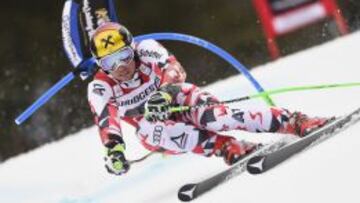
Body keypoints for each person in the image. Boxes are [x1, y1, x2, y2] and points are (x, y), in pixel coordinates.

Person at [62, 1, 331, 176]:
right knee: (153, 130)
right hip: (157, 129)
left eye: (123, 55)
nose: (120, 66)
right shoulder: (100, 86)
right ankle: (228, 148)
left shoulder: (146, 49)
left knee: (219, 117)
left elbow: (174, 69)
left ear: (132, 47)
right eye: (110, 61)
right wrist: (114, 150)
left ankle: (293, 121)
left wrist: (165, 92)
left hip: (181, 100)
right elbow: (106, 121)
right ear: (100, 63)